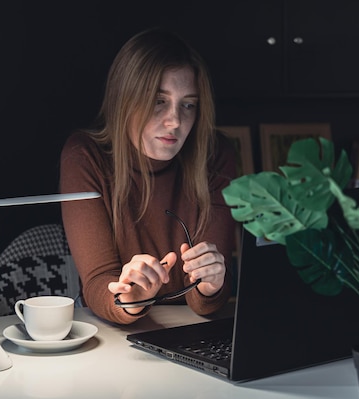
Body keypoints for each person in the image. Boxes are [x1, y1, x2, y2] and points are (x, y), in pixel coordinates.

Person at [59, 27, 237, 325]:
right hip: (115, 334)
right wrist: (129, 297)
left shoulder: (215, 155)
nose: (175, 121)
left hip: (195, 331)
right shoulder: (84, 156)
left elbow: (206, 302)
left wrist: (211, 285)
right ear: (125, 99)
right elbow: (97, 282)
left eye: (188, 104)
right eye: (158, 100)